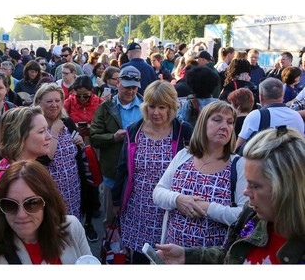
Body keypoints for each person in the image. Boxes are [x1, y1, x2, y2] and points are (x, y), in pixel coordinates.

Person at [156, 126, 305, 264]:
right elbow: (230, 253)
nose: (246, 192)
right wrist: (187, 256)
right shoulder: (251, 217)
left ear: (287, 186)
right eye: (247, 182)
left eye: (255, 185)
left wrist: (209, 208)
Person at [112, 80, 194, 264]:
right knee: (140, 259)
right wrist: (116, 200)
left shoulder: (183, 131)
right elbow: (122, 167)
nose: (156, 112)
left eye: (162, 107)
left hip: (169, 209)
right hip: (137, 208)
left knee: (165, 259)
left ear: (172, 108)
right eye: (152, 106)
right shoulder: (134, 131)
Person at [153, 100, 248, 248]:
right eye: (217, 120)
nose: (224, 126)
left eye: (230, 122)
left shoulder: (238, 165)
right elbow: (158, 193)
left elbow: (244, 216)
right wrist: (177, 199)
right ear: (203, 124)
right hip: (172, 253)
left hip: (213, 259)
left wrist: (208, 208)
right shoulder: (184, 155)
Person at [0, 160, 92, 264]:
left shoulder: (72, 228)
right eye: (10, 205)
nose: (21, 215)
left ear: (47, 203)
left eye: (32, 203)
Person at [33, 83, 99, 242]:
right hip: (50, 189)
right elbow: (45, 159)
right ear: (39, 102)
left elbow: (77, 152)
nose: (54, 105)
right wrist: (54, 131)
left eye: (57, 100)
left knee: (72, 228)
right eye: (49, 101)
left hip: (73, 186)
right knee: (53, 230)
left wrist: (79, 142)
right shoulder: (34, 125)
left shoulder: (67, 121)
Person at [90, 65, 143, 229]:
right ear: (118, 83)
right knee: (111, 221)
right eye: (127, 87)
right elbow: (94, 137)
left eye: (134, 88)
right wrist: (113, 137)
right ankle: (110, 252)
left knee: (135, 221)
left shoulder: (146, 108)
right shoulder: (105, 107)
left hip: (138, 175)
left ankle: (128, 253)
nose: (130, 91)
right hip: (112, 174)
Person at [235, 77, 304, 152]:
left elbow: (238, 147)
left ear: (261, 97)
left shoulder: (256, 115)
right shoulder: (296, 117)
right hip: (290, 162)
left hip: (263, 162)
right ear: (283, 96)